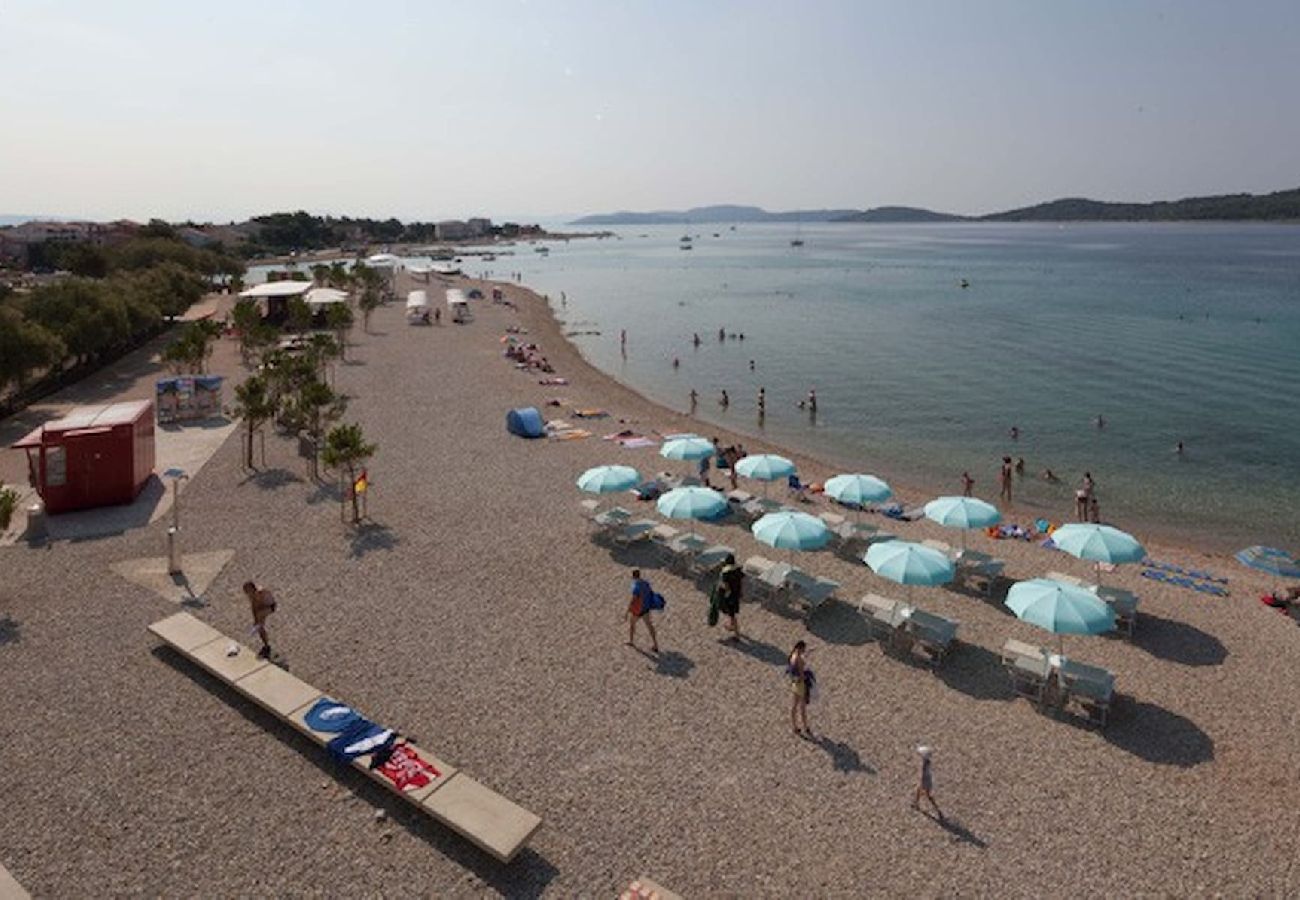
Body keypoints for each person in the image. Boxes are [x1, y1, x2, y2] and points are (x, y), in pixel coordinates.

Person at [711, 554, 744, 641]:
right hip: (736, 593)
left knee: (731, 613)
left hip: (729, 595)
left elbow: (726, 585)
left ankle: (736, 634)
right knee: (731, 613)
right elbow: (741, 581)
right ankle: (732, 627)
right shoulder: (738, 570)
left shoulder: (726, 573)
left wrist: (723, 590)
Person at [626, 569, 660, 653]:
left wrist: (627, 611)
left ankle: (631, 641)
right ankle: (655, 644)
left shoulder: (636, 587)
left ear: (633, 577)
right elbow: (650, 593)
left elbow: (633, 600)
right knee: (649, 626)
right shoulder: (646, 583)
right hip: (646, 608)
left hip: (638, 610)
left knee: (632, 624)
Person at [242, 581, 277, 660]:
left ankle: (266, 645)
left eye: (247, 590)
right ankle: (266, 644)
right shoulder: (251, 596)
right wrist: (255, 619)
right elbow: (253, 607)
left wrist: (259, 617)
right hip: (261, 608)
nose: (246, 593)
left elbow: (270, 602)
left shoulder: (261, 592)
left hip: (268, 606)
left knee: (260, 622)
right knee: (260, 627)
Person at [787, 641, 814, 737]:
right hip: (801, 684)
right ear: (800, 648)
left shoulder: (793, 655)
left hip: (794, 683)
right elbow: (802, 674)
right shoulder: (798, 659)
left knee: (794, 705)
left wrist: (807, 654)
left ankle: (794, 726)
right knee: (802, 707)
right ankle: (806, 726)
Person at [911, 746, 943, 822]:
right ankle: (916, 803)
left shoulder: (925, 764)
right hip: (928, 780)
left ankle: (938, 811)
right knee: (918, 790)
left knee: (928, 796)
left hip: (925, 781)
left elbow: (924, 773)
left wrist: (922, 781)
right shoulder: (928, 762)